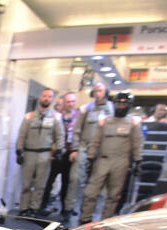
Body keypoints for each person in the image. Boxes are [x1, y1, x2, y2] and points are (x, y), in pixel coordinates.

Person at [79, 91, 143, 223]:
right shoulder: (104, 120)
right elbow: (95, 140)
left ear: (129, 105)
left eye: (124, 103)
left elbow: (137, 143)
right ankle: (85, 219)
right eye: (119, 102)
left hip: (121, 161)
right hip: (103, 159)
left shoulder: (133, 122)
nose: (121, 106)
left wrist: (138, 160)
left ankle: (105, 221)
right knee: (91, 192)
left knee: (113, 195)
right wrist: (90, 157)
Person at [66, 82, 114, 216]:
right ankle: (70, 207)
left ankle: (89, 211)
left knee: (97, 182)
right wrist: (74, 149)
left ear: (105, 92)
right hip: (84, 147)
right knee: (75, 178)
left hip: (102, 150)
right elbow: (77, 130)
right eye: (96, 91)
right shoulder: (86, 109)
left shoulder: (112, 109)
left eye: (100, 90)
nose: (98, 93)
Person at [15, 88, 62, 217]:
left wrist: (59, 150)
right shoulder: (29, 116)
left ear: (52, 99)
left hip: (45, 155)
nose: (46, 98)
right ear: (40, 97)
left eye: (49, 97)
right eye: (44, 96)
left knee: (40, 185)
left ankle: (34, 208)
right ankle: (24, 208)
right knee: (26, 184)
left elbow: (59, 136)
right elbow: (22, 135)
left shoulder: (55, 117)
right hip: (30, 153)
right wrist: (19, 150)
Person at [41, 91, 78, 218]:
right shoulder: (55, 116)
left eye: (72, 101)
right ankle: (43, 205)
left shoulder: (78, 117)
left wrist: (75, 150)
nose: (70, 104)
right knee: (48, 180)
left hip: (70, 154)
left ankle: (65, 208)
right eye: (68, 101)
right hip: (55, 153)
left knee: (67, 182)